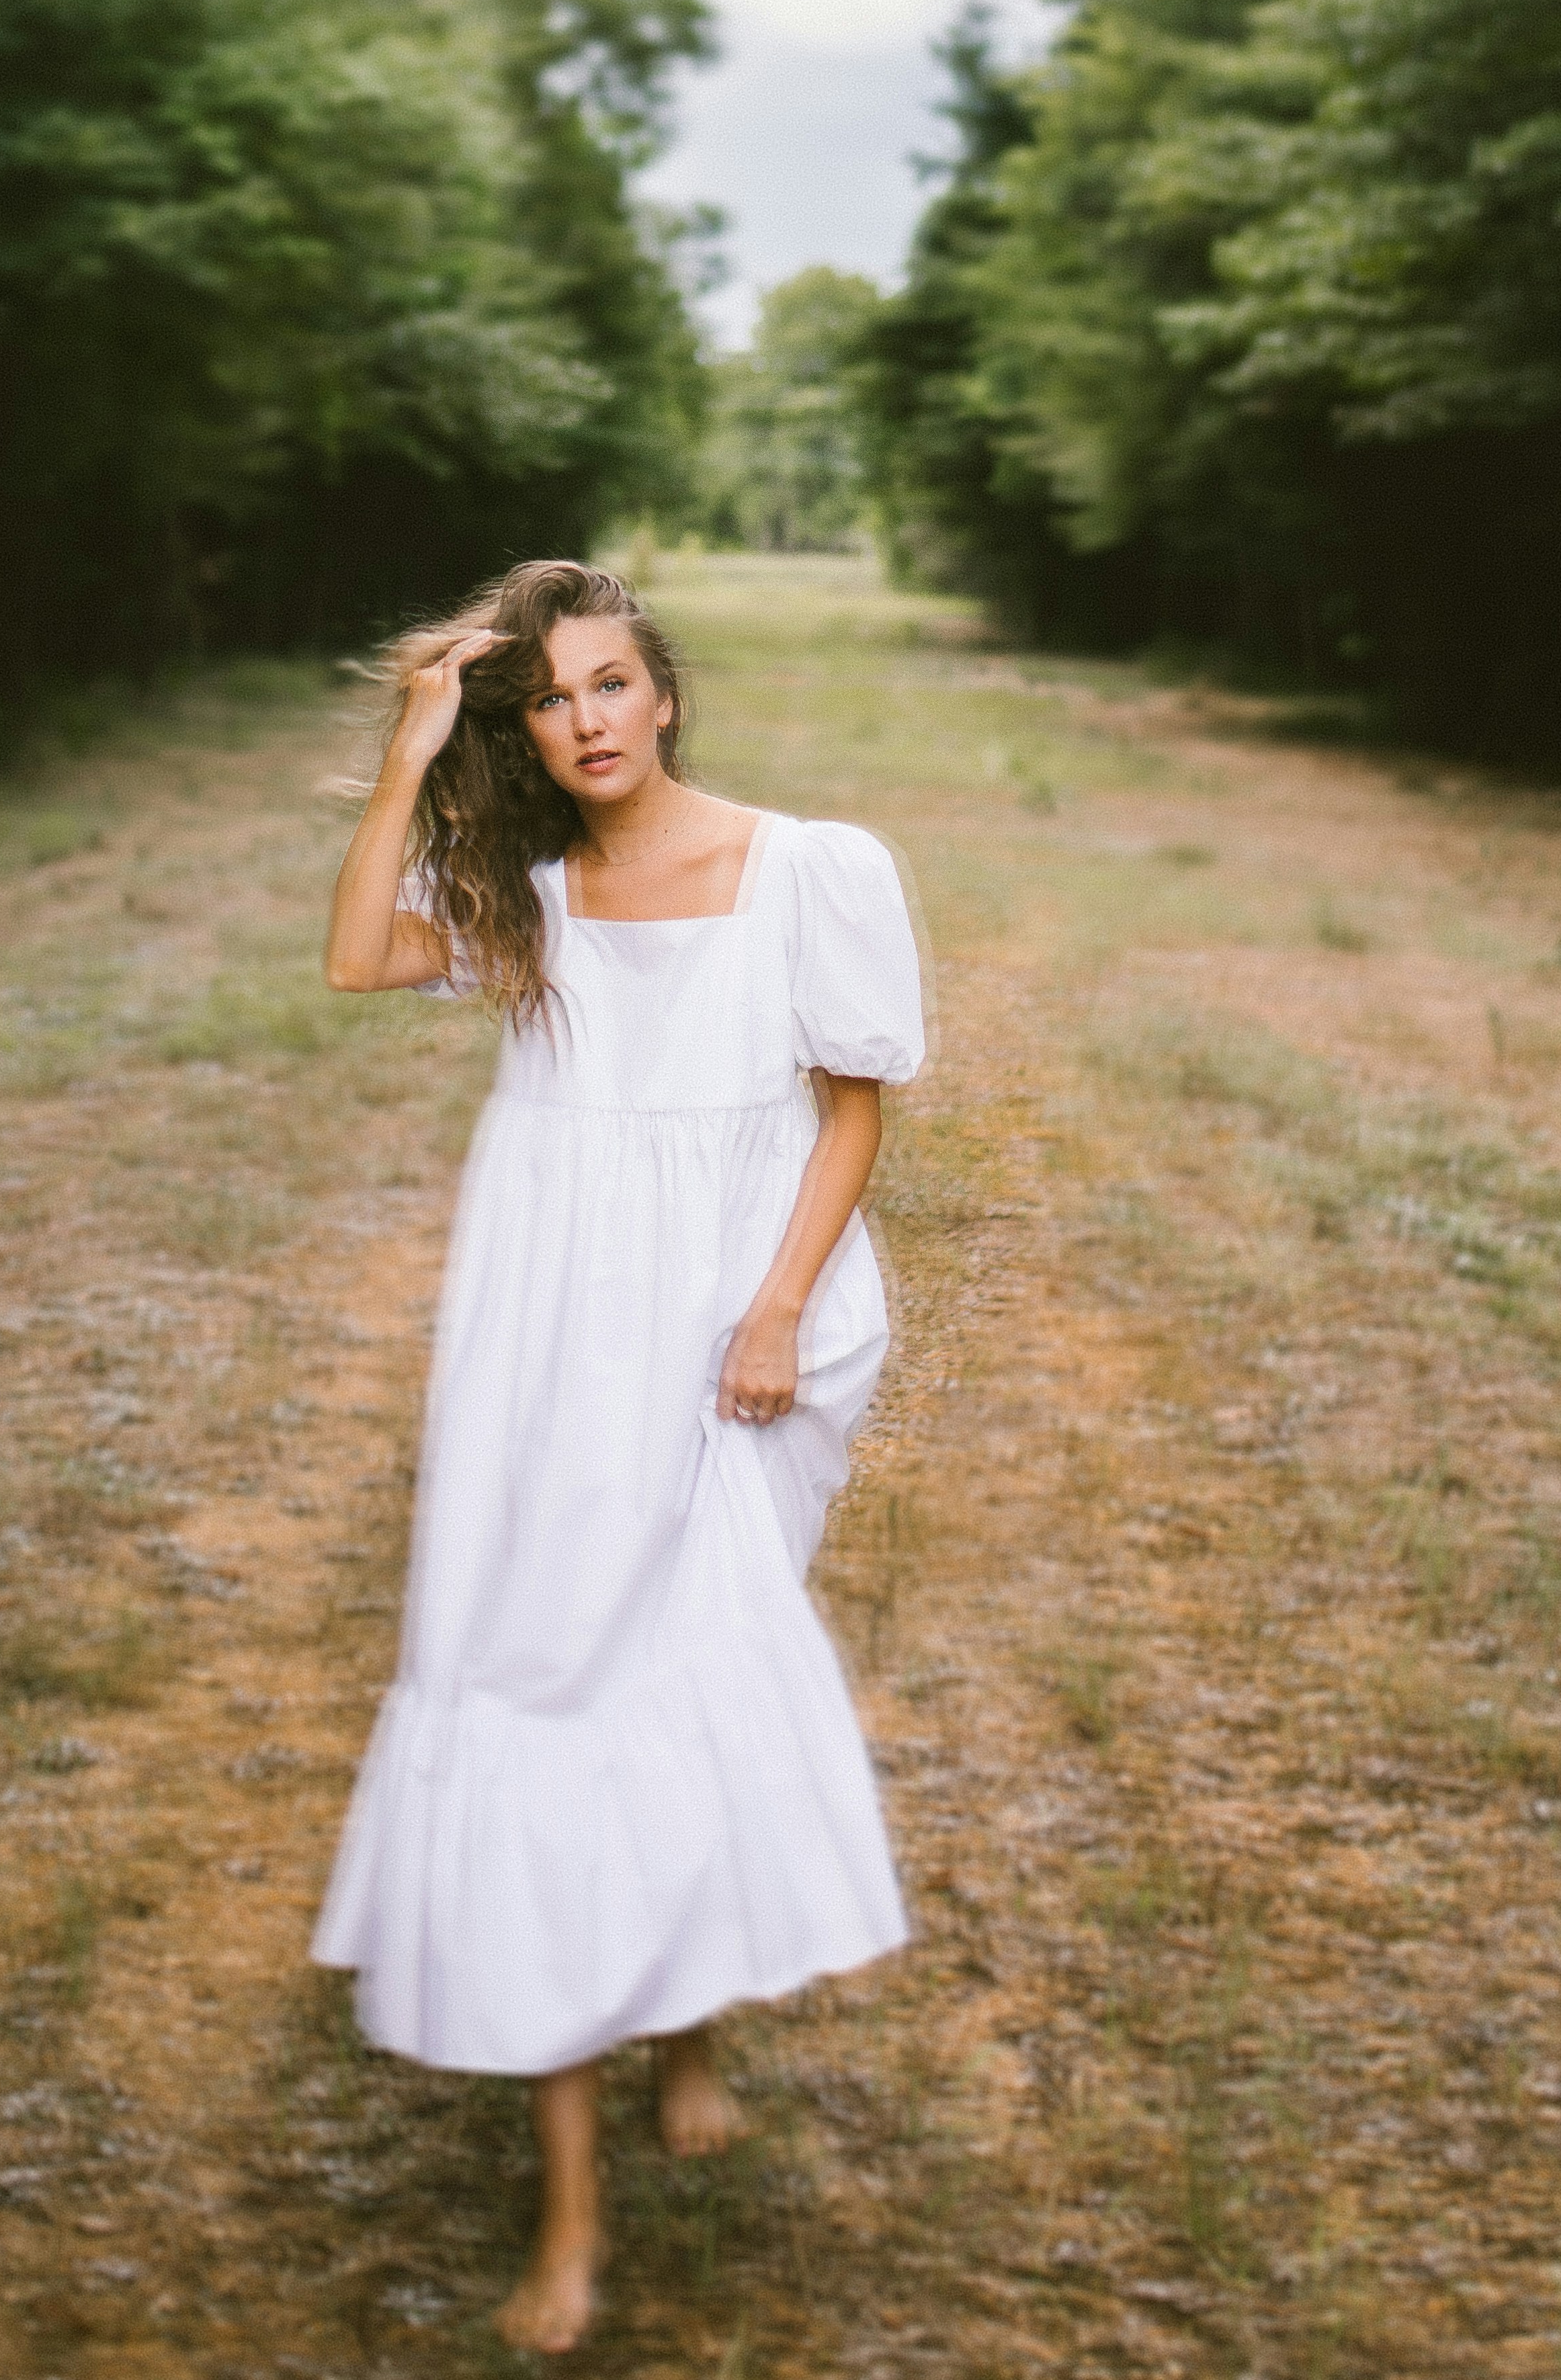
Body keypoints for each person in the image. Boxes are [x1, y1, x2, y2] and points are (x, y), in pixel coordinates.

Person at [312, 557, 928, 2354]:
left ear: (661, 692)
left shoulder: (810, 865)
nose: (580, 722)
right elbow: (358, 958)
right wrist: (418, 741)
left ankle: (693, 2026)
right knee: (541, 1683)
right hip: (552, 1327)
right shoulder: (526, 895)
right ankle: (571, 2220)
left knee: (687, 1663)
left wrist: (773, 1310)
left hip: (752, 1312)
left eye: (607, 684)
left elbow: (852, 1099)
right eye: (542, 700)